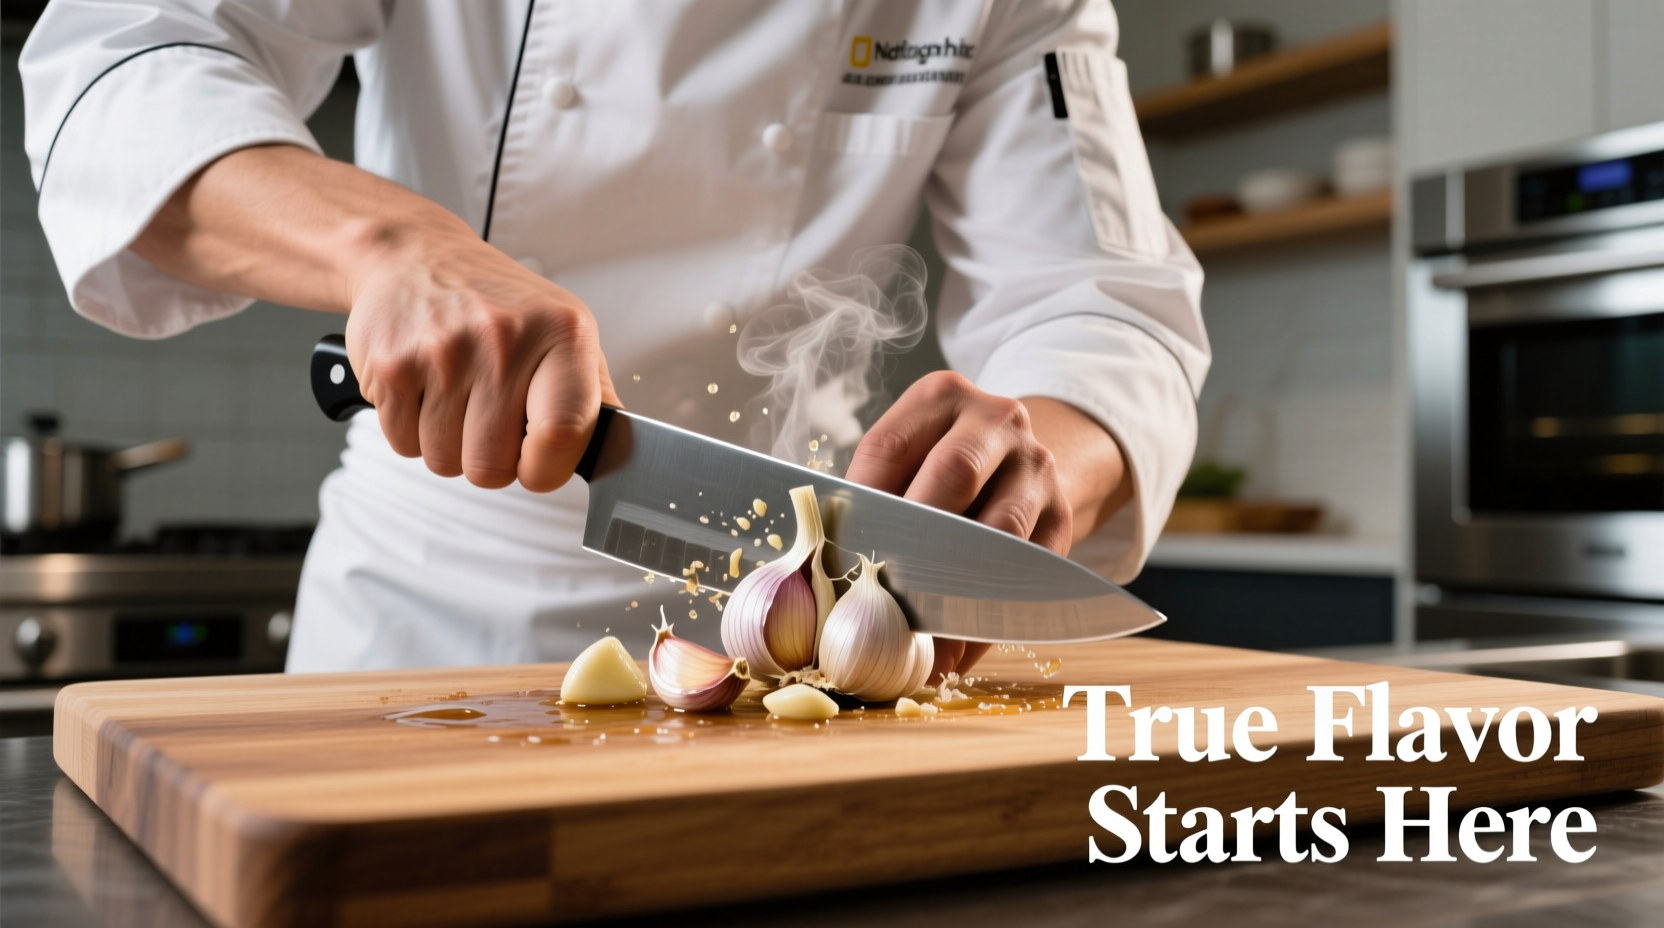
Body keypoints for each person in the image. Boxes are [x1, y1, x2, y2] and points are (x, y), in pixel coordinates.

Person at [20, 0, 1209, 671]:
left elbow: (1102, 302)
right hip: (430, 617)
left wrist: (1040, 459)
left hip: (800, 639)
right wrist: (392, 246)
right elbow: (123, 60)